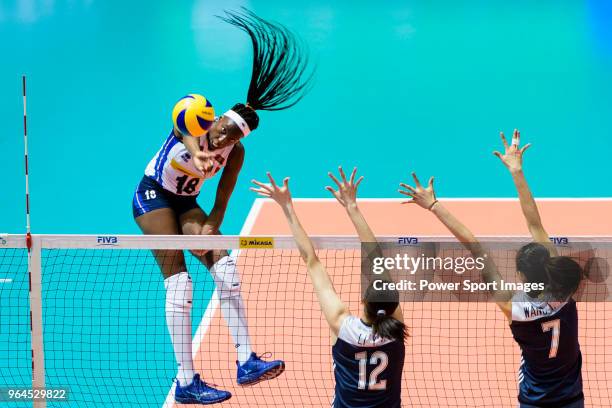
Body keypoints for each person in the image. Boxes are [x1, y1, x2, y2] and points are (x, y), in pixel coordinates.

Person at [132, 8, 313, 404]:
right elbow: (183, 127)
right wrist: (198, 152)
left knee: (226, 266)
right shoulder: (194, 126)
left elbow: (223, 197)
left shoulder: (235, 152)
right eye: (220, 129)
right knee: (179, 283)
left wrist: (212, 225)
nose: (220, 138)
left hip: (187, 203)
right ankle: (185, 382)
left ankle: (246, 360)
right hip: (153, 199)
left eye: (229, 136)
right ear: (214, 121)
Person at [399, 130, 584, 408]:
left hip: (534, 401)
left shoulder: (512, 305)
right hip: (571, 399)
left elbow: (474, 247)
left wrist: (434, 206)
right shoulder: (564, 287)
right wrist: (517, 171)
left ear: (521, 275)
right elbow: (534, 222)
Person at [251, 167, 407, 408]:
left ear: (364, 301)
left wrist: (286, 205)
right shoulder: (395, 331)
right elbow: (376, 260)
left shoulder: (342, 324)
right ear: (393, 306)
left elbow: (311, 261)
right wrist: (352, 207)